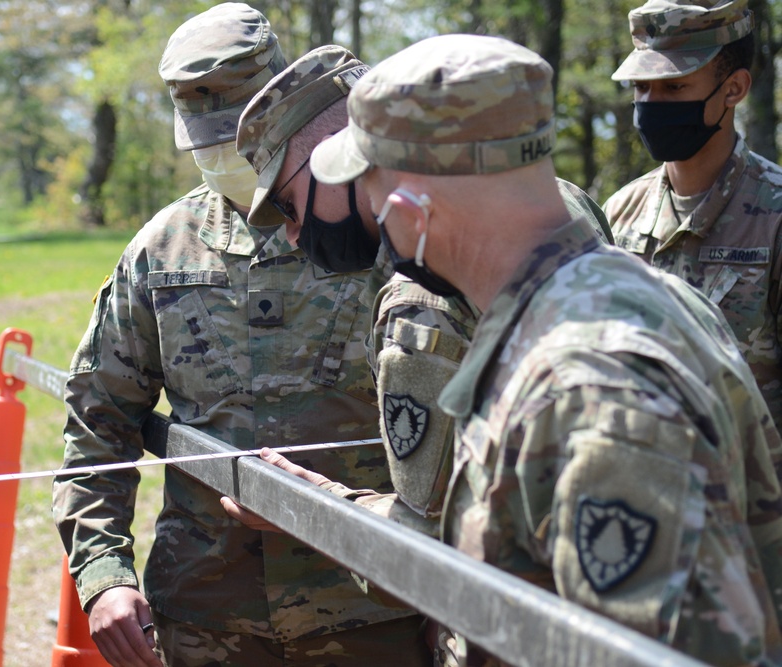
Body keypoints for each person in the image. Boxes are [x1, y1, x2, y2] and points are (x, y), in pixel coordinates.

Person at [232, 33, 782, 666]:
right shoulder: (634, 300)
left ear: (414, 207)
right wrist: (336, 510)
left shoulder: (590, 389)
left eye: (375, 190)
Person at [52, 4, 430, 667]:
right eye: (208, 136)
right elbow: (98, 421)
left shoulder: (368, 227)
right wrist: (103, 575)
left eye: (237, 128)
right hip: (208, 621)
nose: (226, 153)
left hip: (373, 615)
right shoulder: (160, 251)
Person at [232, 45, 614, 535]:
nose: (291, 232)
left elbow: (428, 549)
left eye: (288, 204)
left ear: (341, 154)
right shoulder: (563, 202)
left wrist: (315, 505)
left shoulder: (421, 298)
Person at [604, 0, 782, 427]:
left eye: (674, 87)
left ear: (734, 89)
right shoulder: (618, 213)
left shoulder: (773, 214)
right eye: (641, 88)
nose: (650, 104)